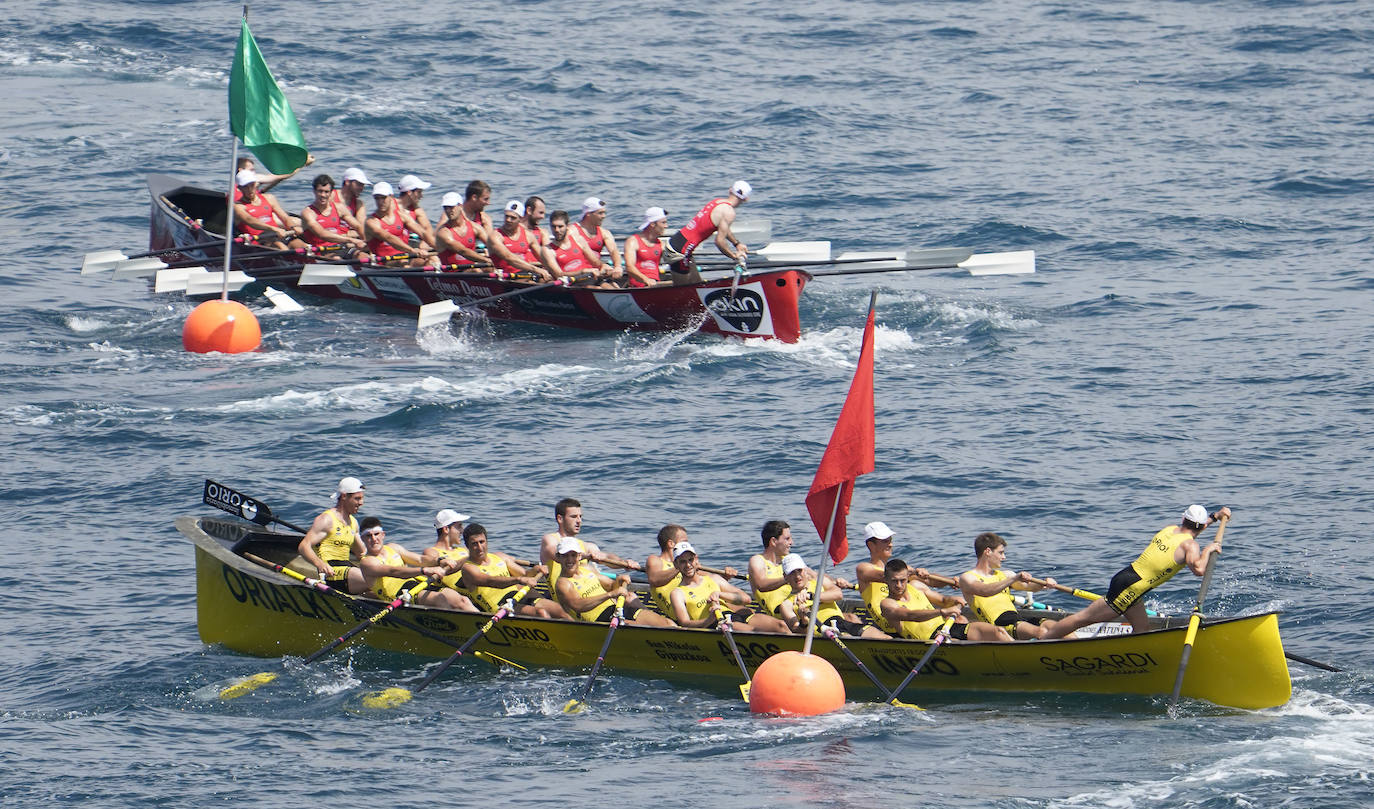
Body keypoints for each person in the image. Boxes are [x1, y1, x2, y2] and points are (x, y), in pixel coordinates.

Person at [1042, 506, 1231, 638]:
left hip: (1126, 578)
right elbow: (1199, 569)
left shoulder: (1170, 530)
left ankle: (1131, 655)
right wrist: (1209, 549)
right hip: (1130, 589)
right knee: (1083, 619)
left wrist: (1216, 516)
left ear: (1183, 519)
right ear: (1202, 527)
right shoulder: (1191, 546)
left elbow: (1194, 528)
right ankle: (1044, 640)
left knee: (1142, 629)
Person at [957, 532, 1062, 640]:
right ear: (988, 551)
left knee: (1054, 626)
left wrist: (1044, 583)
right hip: (1000, 624)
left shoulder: (1006, 575)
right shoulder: (967, 578)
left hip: (1017, 618)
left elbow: (1030, 587)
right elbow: (985, 591)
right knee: (1041, 631)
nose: (1004, 557)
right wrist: (1014, 579)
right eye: (1001, 553)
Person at [357, 516, 474, 610]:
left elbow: (420, 560)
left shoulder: (393, 547)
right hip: (398, 594)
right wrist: (424, 570)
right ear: (362, 539)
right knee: (439, 599)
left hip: (415, 586)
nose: (374, 539)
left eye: (376, 534)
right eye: (368, 536)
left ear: (383, 535)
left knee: (461, 599)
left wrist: (440, 561)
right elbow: (394, 571)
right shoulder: (367, 562)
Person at [879, 559, 1011, 642]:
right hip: (929, 640)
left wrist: (954, 600)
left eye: (902, 580)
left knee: (998, 632)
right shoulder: (887, 604)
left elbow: (943, 600)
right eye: (894, 581)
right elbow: (911, 615)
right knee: (958, 644)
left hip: (947, 628)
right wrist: (941, 612)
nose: (899, 585)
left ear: (908, 577)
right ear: (885, 580)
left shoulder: (916, 586)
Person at [667, 541, 787, 631]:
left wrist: (720, 594)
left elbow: (746, 599)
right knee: (755, 631)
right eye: (682, 562)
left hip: (734, 616)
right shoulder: (677, 593)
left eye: (690, 560)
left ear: (696, 560)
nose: (688, 565)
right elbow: (684, 623)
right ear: (676, 565)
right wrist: (708, 620)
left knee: (781, 625)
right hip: (715, 625)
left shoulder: (713, 579)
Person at [553, 537, 673, 626]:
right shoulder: (563, 583)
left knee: (666, 623)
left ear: (579, 556)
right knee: (646, 627)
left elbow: (611, 586)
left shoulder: (588, 569)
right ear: (558, 558)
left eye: (573, 555)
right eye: (565, 556)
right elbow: (579, 605)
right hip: (599, 621)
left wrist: (619, 580)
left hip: (616, 609)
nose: (570, 560)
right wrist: (610, 595)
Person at [458, 523, 567, 617]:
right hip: (501, 606)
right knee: (541, 613)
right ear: (467, 546)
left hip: (517, 594)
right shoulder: (468, 568)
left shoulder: (499, 556)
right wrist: (518, 579)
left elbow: (525, 574)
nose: (479, 547)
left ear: (486, 541)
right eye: (474, 544)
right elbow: (491, 581)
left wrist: (535, 570)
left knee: (560, 610)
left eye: (482, 542)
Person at [777, 553, 888, 638]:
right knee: (850, 638)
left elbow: (838, 594)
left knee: (883, 637)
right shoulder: (786, 604)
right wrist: (803, 620)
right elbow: (798, 631)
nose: (797, 576)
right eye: (792, 573)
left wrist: (811, 596)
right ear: (785, 577)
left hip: (842, 623)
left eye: (799, 571)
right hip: (824, 632)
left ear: (805, 571)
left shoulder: (820, 582)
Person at [664, 180, 751, 284]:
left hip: (679, 242)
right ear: (746, 199)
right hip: (679, 251)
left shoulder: (717, 202)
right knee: (684, 290)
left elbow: (724, 229)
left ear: (730, 190)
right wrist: (734, 256)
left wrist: (737, 244)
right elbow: (719, 241)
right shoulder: (729, 212)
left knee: (696, 284)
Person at [645, 524, 739, 615]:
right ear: (671, 544)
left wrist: (725, 576)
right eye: (684, 541)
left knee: (738, 607)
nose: (687, 544)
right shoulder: (655, 560)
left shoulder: (688, 566)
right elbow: (654, 580)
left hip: (700, 600)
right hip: (682, 609)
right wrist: (681, 566)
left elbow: (711, 580)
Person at [297, 476, 368, 593]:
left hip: (347, 569)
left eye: (362, 498)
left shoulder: (353, 523)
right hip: (330, 572)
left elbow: (361, 553)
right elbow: (304, 546)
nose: (361, 503)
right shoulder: (326, 520)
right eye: (357, 499)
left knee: (381, 584)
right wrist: (320, 564)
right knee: (371, 580)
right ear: (344, 496)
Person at [538, 498, 641, 572]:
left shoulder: (587, 546)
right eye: (574, 517)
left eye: (580, 517)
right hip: (562, 590)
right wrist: (588, 556)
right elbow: (557, 554)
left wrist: (624, 563)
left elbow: (607, 557)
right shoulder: (550, 539)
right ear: (560, 519)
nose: (579, 521)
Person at [365, 182, 435, 267]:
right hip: (384, 262)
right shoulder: (371, 221)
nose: (380, 202)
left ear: (391, 197)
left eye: (383, 198)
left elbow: (423, 233)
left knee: (432, 261)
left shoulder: (402, 216)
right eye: (377, 198)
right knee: (402, 261)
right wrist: (412, 250)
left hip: (405, 256)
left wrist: (439, 247)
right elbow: (389, 238)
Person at [233, 169, 306, 250]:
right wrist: (274, 229)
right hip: (258, 240)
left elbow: (285, 217)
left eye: (251, 185)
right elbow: (250, 220)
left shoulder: (269, 198)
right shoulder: (238, 206)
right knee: (281, 247)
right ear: (239, 188)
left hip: (277, 235)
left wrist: (293, 226)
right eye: (245, 187)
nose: (250, 189)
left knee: (301, 245)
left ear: (256, 184)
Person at [300, 174, 368, 256]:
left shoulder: (339, 208)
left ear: (331, 192)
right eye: (320, 191)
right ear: (314, 191)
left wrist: (366, 242)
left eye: (326, 192)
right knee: (336, 258)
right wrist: (351, 240)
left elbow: (358, 226)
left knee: (363, 256)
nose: (323, 195)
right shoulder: (308, 213)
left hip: (341, 247)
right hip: (321, 251)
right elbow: (322, 234)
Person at [489, 200, 556, 280]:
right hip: (507, 277)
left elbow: (542, 258)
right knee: (533, 282)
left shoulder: (527, 235)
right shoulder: (495, 236)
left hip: (526, 273)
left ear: (520, 219)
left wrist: (556, 271)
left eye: (513, 218)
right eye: (506, 216)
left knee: (551, 279)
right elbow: (509, 258)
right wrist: (536, 269)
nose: (508, 220)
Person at [747, 519, 796, 619]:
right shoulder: (757, 561)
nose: (792, 542)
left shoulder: (788, 560)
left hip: (796, 602)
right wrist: (787, 579)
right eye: (787, 539)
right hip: (779, 611)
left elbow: (811, 575)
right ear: (773, 541)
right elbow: (761, 584)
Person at [547, 210, 612, 284]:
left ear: (567, 226)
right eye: (553, 227)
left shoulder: (579, 240)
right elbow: (559, 274)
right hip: (571, 284)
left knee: (612, 285)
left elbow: (595, 262)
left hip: (589, 278)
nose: (557, 230)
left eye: (560, 227)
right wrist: (582, 272)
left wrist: (604, 266)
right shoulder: (548, 250)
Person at [570, 197, 624, 282]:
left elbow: (614, 251)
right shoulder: (572, 231)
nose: (604, 216)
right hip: (580, 274)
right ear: (588, 214)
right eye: (600, 213)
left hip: (597, 273)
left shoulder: (604, 232)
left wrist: (617, 267)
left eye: (604, 213)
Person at [421, 508, 472, 592]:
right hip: (456, 591)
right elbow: (433, 561)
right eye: (459, 526)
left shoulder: (465, 550)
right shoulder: (431, 551)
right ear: (446, 529)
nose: (462, 530)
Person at [435, 191, 487, 270]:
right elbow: (463, 251)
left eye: (451, 207)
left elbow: (491, 245)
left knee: (490, 269)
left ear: (460, 206)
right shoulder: (443, 232)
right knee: (476, 270)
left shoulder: (475, 227)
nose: (448, 211)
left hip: (470, 270)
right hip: (452, 273)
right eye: (446, 208)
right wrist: (487, 260)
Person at [623, 207, 668, 288]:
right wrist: (646, 280)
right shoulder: (633, 242)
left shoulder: (661, 244)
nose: (666, 226)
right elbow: (629, 267)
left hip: (655, 286)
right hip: (637, 288)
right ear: (652, 224)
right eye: (663, 223)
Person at [396, 174, 436, 248]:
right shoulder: (391, 207)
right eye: (419, 192)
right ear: (409, 192)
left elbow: (428, 228)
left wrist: (425, 242)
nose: (421, 196)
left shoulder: (416, 209)